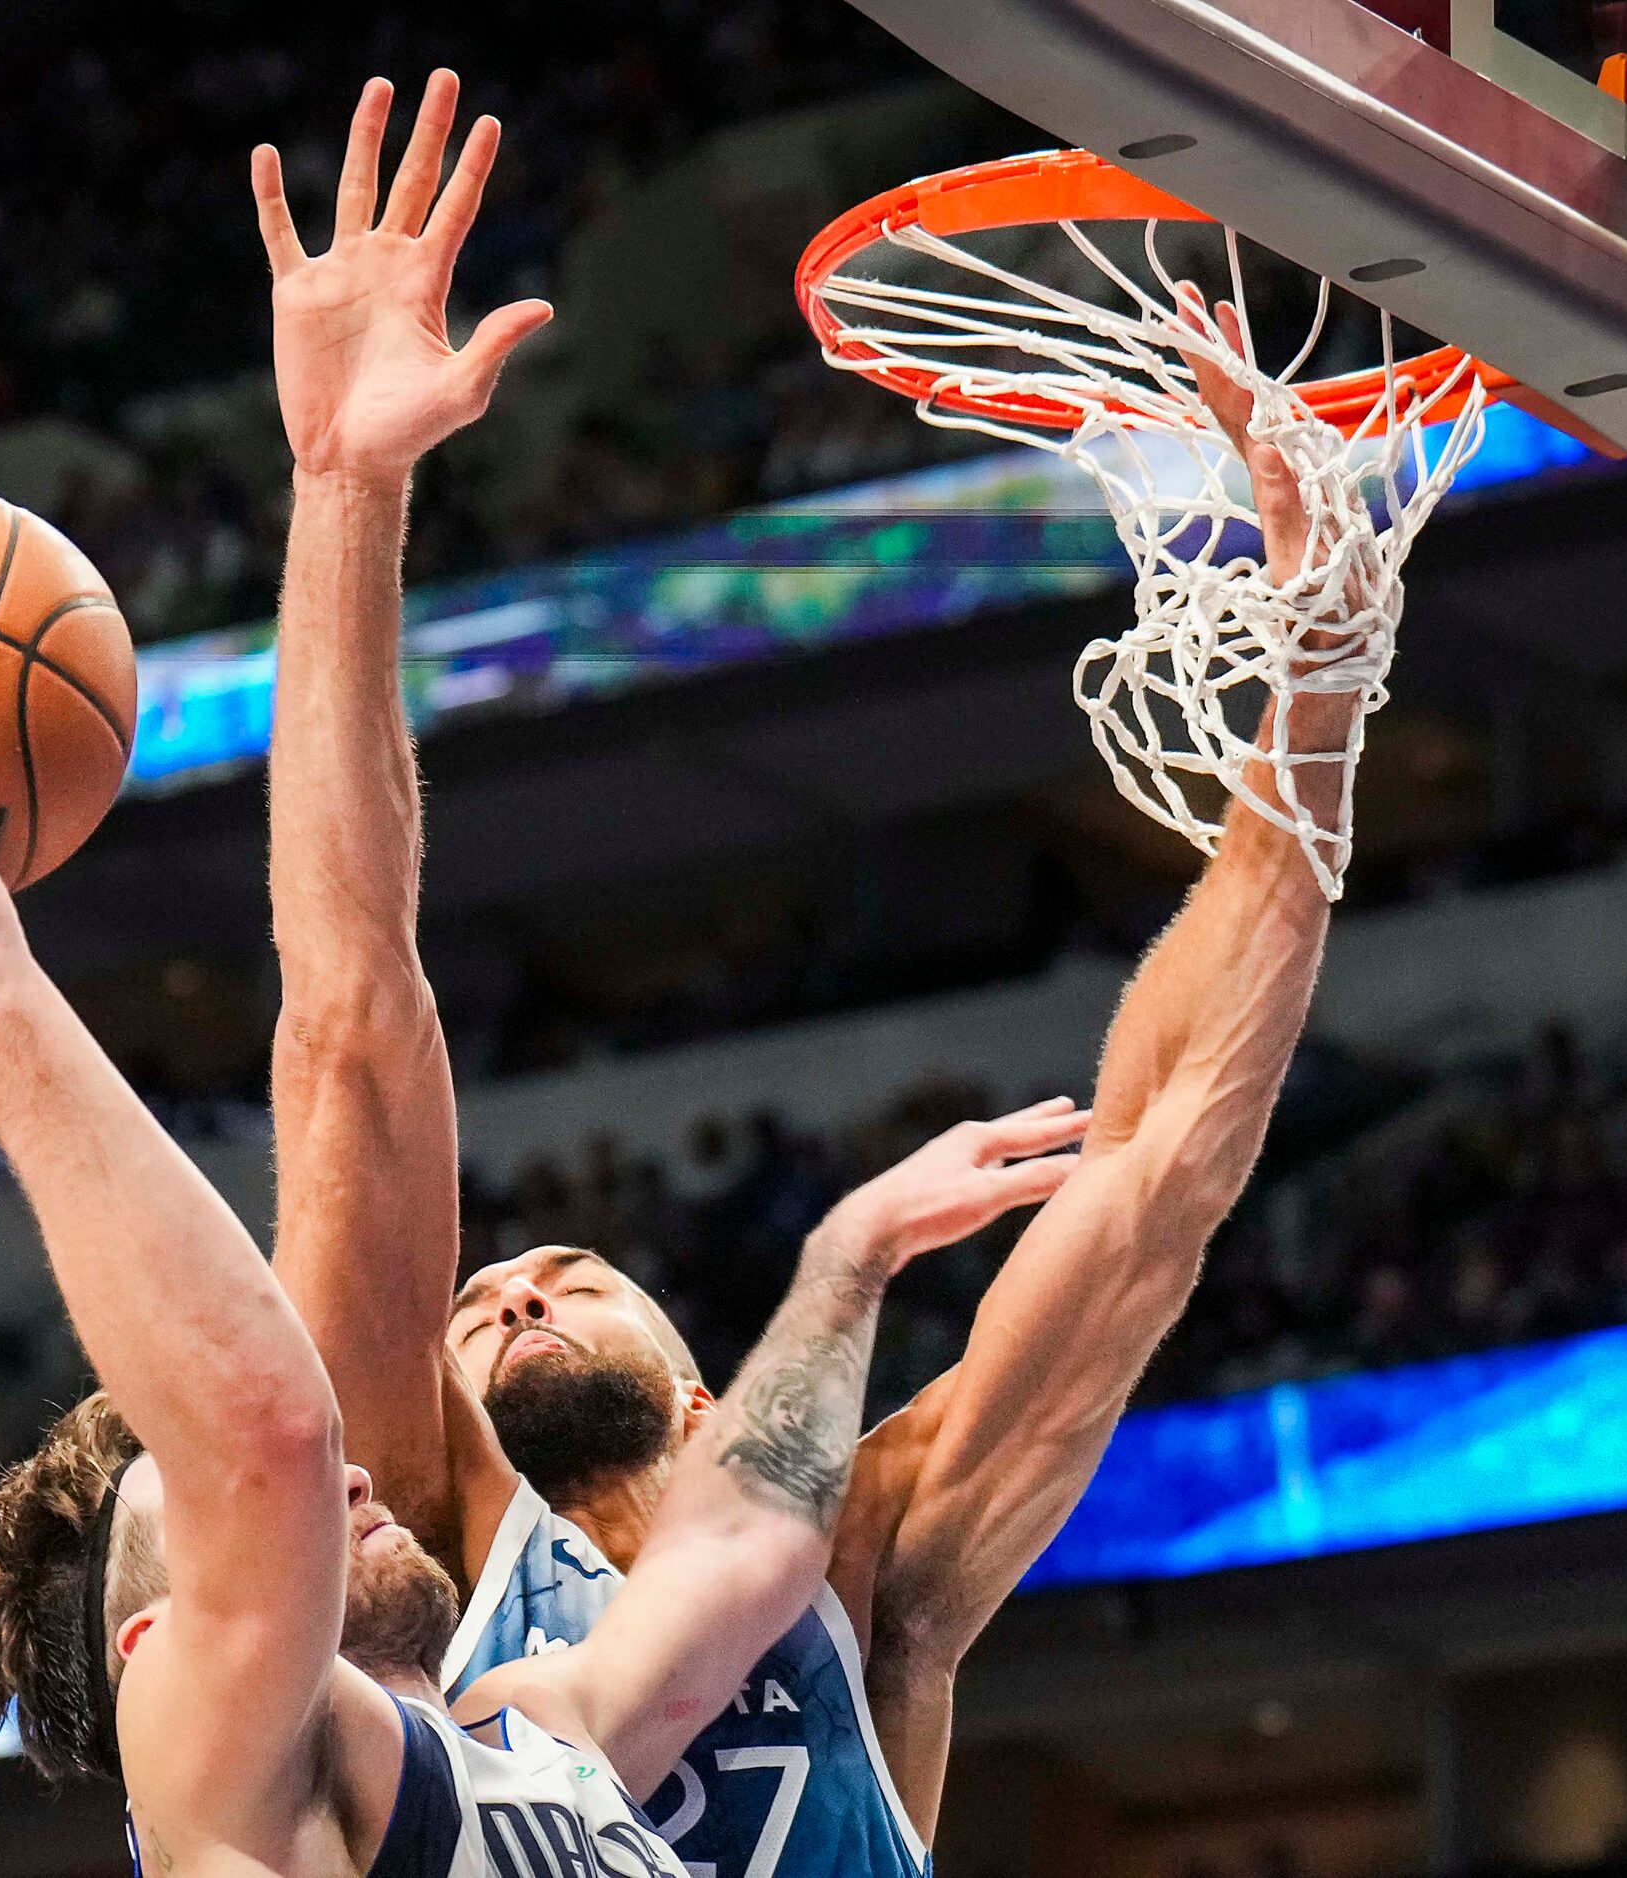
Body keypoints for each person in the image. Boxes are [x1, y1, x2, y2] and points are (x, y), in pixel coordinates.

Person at [256, 72, 1363, 1874]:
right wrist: (343, 488)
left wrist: (1312, 684)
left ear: (716, 1398)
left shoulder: (860, 1556)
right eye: (486, 1304)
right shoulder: (429, 1545)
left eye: (568, 1275)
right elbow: (349, 1017)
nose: (518, 1294)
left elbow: (1164, 1160)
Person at [0, 652, 1004, 1877]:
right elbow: (267, 1416)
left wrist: (848, 1258)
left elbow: (741, 1544)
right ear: (165, 1649)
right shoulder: (247, 1802)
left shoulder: (536, 1742)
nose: (334, 1475)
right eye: (237, 1516)